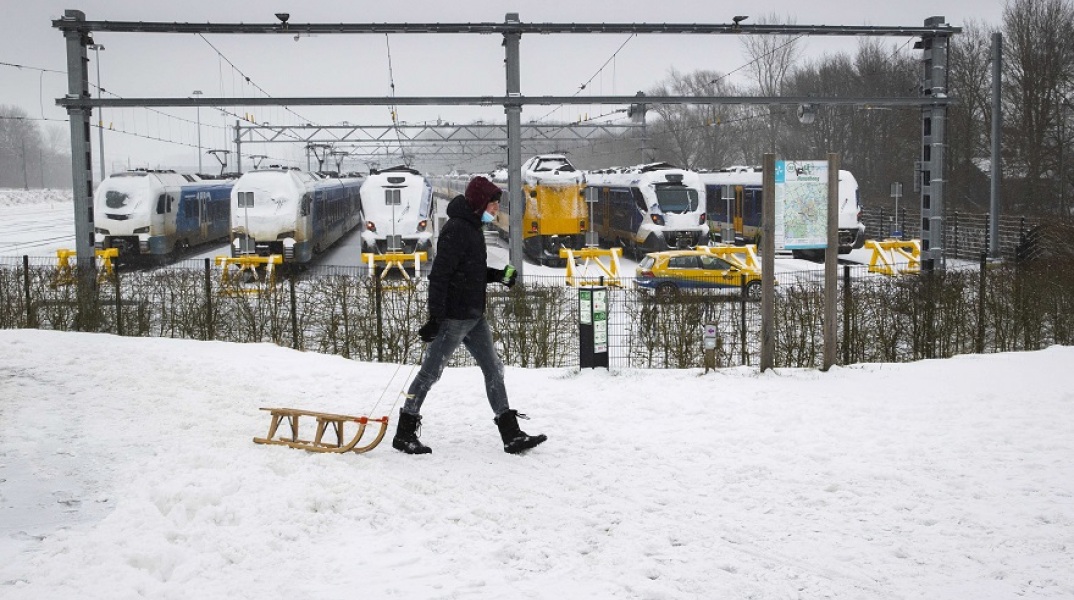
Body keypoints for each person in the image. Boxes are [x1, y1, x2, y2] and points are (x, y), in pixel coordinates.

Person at [392, 175, 547, 455]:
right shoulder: (457, 229)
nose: (496, 210)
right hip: (453, 318)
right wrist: (435, 318)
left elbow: (472, 273)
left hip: (474, 316)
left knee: (494, 369)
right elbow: (439, 276)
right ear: (478, 204)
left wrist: (499, 276)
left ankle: (511, 435)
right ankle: (404, 433)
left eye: (497, 205)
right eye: (493, 205)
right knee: (429, 374)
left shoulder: (473, 228)